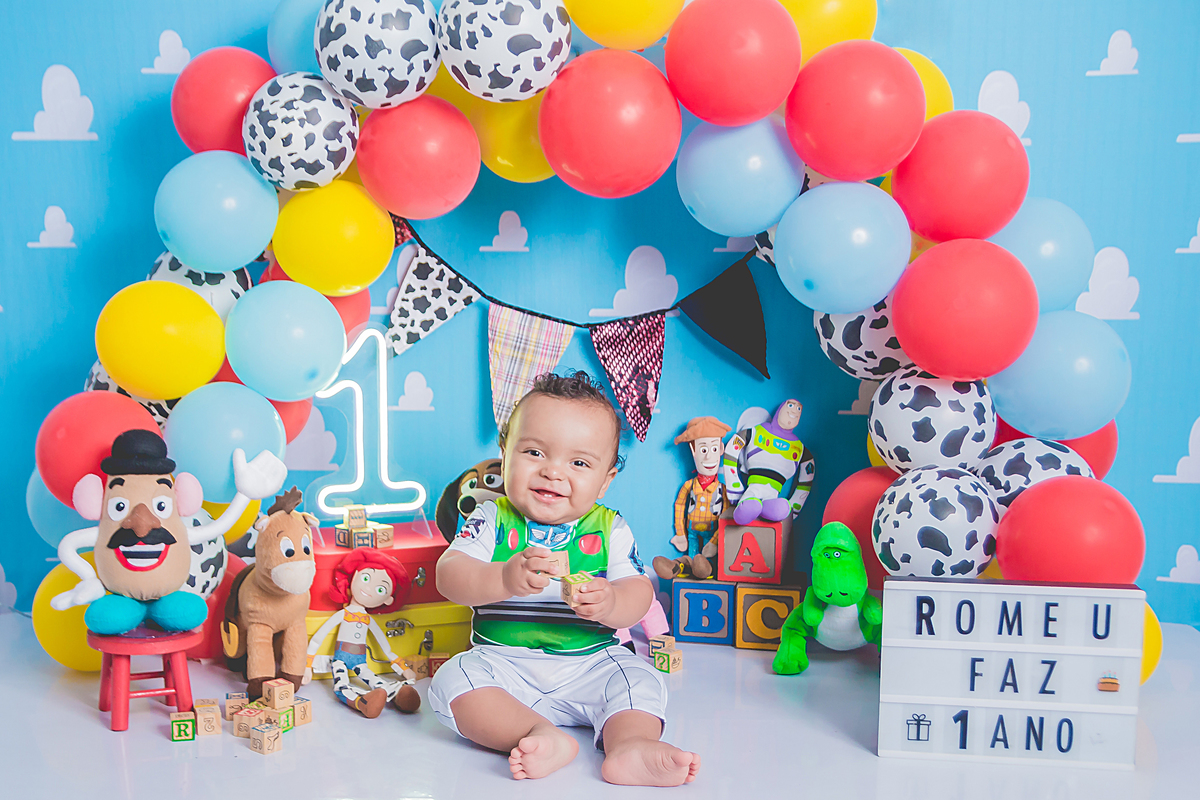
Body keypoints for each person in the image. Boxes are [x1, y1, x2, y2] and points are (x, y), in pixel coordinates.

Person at [430, 371, 701, 786]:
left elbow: (639, 593)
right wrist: (503, 577)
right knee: (452, 681)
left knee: (639, 679)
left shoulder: (610, 528)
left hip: (590, 665)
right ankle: (536, 733)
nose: (553, 472)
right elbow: (449, 575)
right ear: (505, 453)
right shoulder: (490, 518)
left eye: (578, 463)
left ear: (605, 480)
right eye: (534, 452)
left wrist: (611, 602)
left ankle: (630, 746)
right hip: (504, 666)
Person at [304, 549, 421, 718]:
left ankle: (400, 695)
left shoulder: (368, 619)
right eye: (366, 578)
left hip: (361, 661)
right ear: (354, 576)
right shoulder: (344, 614)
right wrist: (308, 665)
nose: (368, 588)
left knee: (375, 679)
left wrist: (402, 668)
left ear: (388, 599)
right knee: (341, 684)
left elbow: (385, 647)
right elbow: (318, 638)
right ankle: (361, 703)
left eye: (380, 589)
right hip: (340, 659)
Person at [653, 416, 731, 580]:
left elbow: (725, 516)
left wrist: (715, 541)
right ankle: (677, 565)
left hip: (712, 532)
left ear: (721, 449)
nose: (709, 457)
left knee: (705, 559)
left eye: (714, 449)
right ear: (693, 451)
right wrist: (680, 533)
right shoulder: (689, 485)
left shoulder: (722, 490)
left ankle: (705, 568)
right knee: (692, 556)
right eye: (703, 450)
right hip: (692, 531)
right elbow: (679, 505)